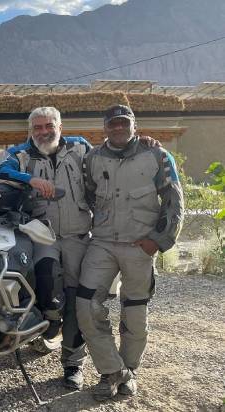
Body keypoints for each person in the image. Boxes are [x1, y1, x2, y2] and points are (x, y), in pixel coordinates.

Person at [77, 104, 184, 400]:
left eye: (124, 123)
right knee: (85, 305)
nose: (118, 128)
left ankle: (130, 371)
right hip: (102, 243)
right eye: (112, 124)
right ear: (104, 128)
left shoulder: (157, 155)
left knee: (135, 312)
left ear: (134, 125)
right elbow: (89, 195)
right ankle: (113, 370)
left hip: (140, 245)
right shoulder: (92, 159)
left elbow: (174, 200)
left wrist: (158, 240)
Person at [0, 107, 93, 390]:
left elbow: (108, 161)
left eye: (49, 126)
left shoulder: (80, 147)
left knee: (76, 299)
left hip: (76, 235)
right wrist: (30, 179)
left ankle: (73, 363)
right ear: (30, 130)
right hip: (40, 234)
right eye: (37, 127)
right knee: (43, 282)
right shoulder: (20, 154)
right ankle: (49, 323)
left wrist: (144, 143)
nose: (43, 132)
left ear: (60, 126)